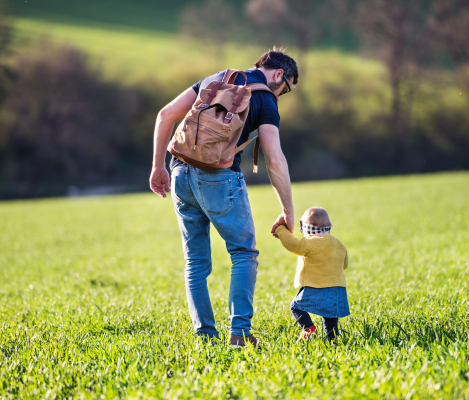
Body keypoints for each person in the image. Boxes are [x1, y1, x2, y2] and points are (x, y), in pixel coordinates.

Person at [149, 49, 299, 346]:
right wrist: (287, 209)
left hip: (180, 173)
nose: (283, 94)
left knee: (195, 261)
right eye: (287, 88)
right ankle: (240, 333)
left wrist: (157, 166)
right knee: (243, 253)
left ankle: (205, 336)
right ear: (278, 74)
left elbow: (165, 114)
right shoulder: (266, 98)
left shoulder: (218, 78)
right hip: (220, 178)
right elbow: (274, 158)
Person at [273, 207, 350, 341]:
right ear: (329, 229)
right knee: (330, 320)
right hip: (338, 290)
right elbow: (345, 265)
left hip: (318, 288)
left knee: (296, 307)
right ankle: (333, 341)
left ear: (306, 230)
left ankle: (308, 327)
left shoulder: (311, 243)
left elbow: (292, 244)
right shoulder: (339, 244)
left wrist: (281, 229)